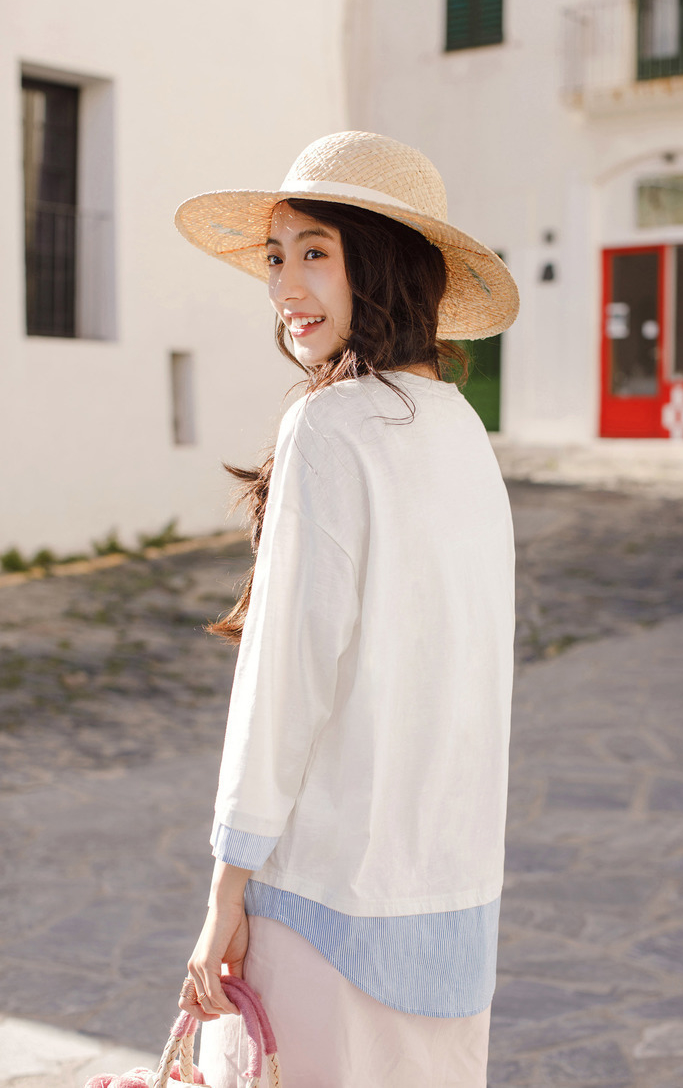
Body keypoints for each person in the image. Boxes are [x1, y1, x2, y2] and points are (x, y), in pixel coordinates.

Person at [173, 130, 519, 1088]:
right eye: (275, 257)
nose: (286, 286)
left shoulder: (327, 425)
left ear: (381, 261)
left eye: (315, 252)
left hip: (322, 900)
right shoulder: (463, 429)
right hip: (450, 899)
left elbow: (283, 683)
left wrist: (225, 893)